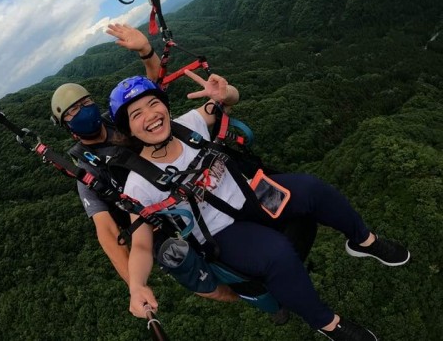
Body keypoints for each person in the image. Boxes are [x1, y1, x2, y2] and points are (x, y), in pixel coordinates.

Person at [107, 71, 410, 341]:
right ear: (130, 130)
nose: (150, 115)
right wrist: (136, 285)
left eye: (153, 104)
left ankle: (363, 241)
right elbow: (143, 244)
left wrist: (226, 93)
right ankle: (328, 324)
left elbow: (228, 101)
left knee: (313, 189)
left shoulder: (189, 125)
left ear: (165, 105)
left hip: (251, 195)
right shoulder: (139, 183)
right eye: (136, 114)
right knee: (277, 255)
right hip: (221, 231)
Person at [50, 23, 239, 302]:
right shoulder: (87, 170)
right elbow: (108, 233)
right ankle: (240, 295)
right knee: (183, 265)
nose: (82, 111)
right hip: (151, 214)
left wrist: (146, 52)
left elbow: (149, 92)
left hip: (181, 175)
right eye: (72, 112)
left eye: (85, 102)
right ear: (66, 126)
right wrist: (134, 287)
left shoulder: (118, 122)